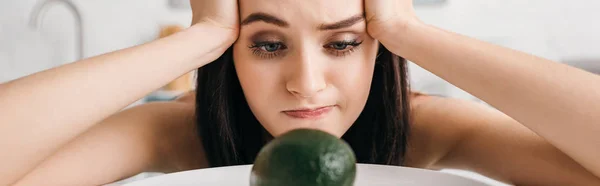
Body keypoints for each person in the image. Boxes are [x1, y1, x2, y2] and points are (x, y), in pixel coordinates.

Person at [1, 0, 599, 185]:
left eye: (341, 44)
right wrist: (200, 36)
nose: (306, 83)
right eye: (266, 45)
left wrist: (409, 31)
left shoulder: (428, 129)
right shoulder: (176, 130)